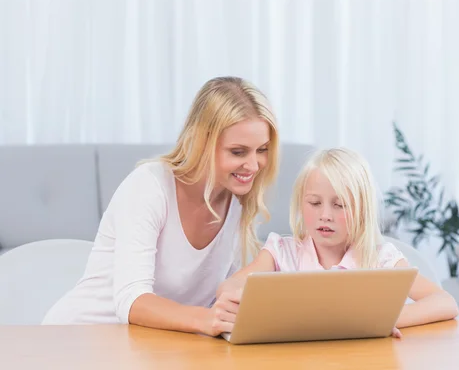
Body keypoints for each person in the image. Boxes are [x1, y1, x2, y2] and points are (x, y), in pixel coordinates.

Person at [42, 76, 280, 337]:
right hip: (75, 340)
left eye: (262, 150)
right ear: (202, 142)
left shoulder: (237, 201)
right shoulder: (150, 187)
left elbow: (219, 300)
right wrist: (207, 320)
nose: (254, 165)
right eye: (238, 152)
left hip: (149, 348)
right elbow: (132, 300)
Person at [216, 148, 459, 337]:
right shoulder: (282, 252)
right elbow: (230, 286)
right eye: (314, 203)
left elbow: (445, 303)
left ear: (362, 209)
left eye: (339, 205)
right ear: (301, 204)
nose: (325, 215)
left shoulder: (380, 259)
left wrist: (384, 321)